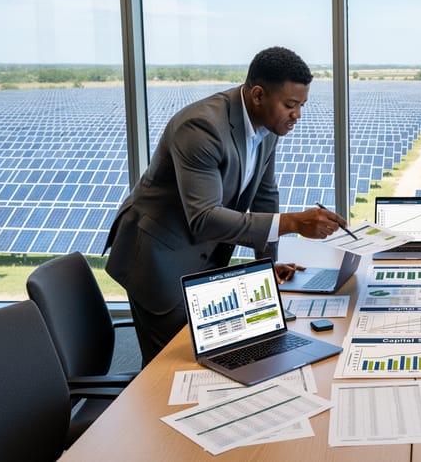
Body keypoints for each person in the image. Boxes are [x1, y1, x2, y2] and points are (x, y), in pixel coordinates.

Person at [104, 46, 348, 365]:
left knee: (224, 356)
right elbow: (204, 219)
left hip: (204, 254)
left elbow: (264, 199)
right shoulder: (201, 128)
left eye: (301, 105)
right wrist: (294, 223)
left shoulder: (269, 129)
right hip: (159, 257)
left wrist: (266, 269)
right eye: (290, 105)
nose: (297, 115)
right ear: (258, 95)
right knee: (177, 367)